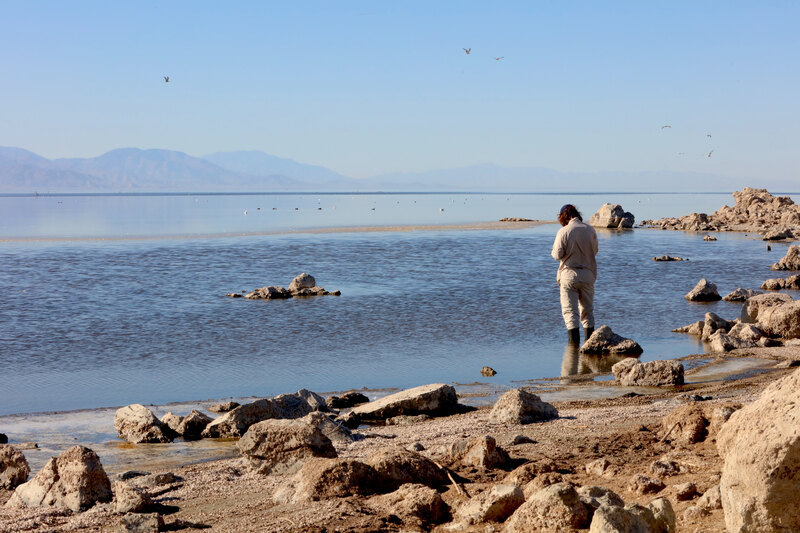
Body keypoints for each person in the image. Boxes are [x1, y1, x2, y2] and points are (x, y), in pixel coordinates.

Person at [551, 204, 598, 345]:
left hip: (569, 274)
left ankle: (573, 348)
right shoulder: (590, 230)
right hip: (588, 274)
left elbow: (557, 255)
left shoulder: (564, 231)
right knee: (587, 311)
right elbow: (594, 251)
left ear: (564, 217)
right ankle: (590, 345)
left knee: (569, 312)